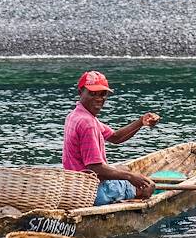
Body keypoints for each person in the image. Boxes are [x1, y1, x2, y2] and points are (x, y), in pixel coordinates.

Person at [63, 70, 161, 206]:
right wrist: (131, 177)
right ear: (81, 93)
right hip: (93, 192)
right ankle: (135, 196)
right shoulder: (87, 123)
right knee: (147, 187)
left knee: (124, 168)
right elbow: (95, 169)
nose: (98, 98)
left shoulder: (75, 115)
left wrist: (141, 122)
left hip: (75, 186)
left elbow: (115, 137)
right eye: (92, 93)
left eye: (103, 94)